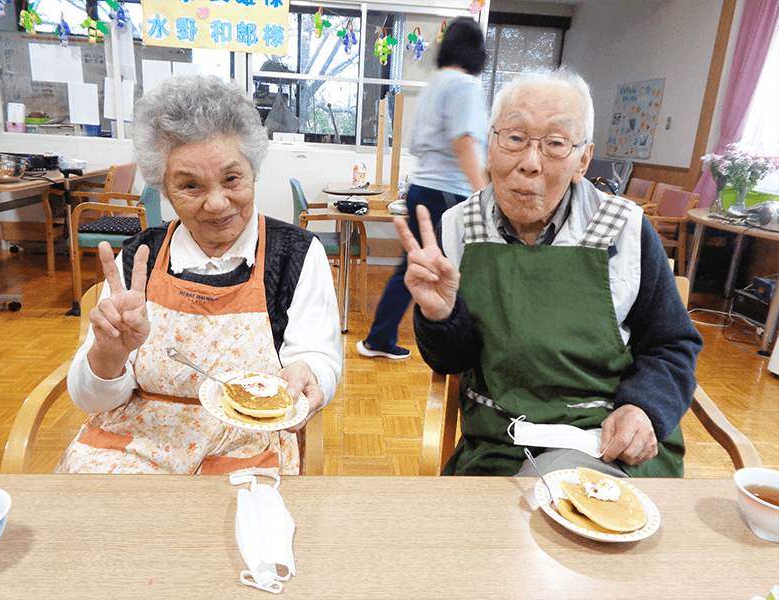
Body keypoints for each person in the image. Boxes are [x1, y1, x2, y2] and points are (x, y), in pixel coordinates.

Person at [396, 68, 703, 477]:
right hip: (501, 442)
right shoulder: (457, 227)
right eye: (515, 138)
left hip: (608, 444)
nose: (530, 163)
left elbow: (672, 343)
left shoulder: (624, 228)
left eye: (556, 144)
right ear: (491, 145)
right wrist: (439, 317)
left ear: (583, 160)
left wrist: (645, 408)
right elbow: (451, 361)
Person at [55, 75, 342, 475]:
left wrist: (310, 374)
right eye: (190, 185)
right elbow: (91, 401)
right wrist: (110, 353)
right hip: (135, 445)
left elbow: (318, 355)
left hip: (247, 443)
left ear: (253, 171)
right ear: (164, 190)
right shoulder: (139, 258)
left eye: (232, 178)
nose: (217, 203)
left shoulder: (296, 253)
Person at [357, 17, 490, 360]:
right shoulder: (463, 84)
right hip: (447, 192)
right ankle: (459, 338)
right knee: (446, 267)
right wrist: (484, 195)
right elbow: (464, 143)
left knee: (413, 266)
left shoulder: (435, 84)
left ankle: (379, 338)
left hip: (423, 188)